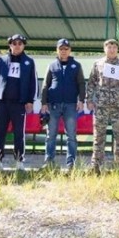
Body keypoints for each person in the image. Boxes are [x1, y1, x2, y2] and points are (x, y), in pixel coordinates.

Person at [0, 34, 38, 169]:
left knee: (19, 133)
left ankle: (19, 161)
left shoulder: (29, 62)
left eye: (20, 43)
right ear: (10, 45)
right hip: (2, 103)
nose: (17, 46)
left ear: (23, 46)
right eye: (14, 43)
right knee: (0, 132)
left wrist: (30, 100)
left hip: (19, 103)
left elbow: (33, 82)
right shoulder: (2, 60)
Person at [86, 39, 119, 172]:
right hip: (101, 106)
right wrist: (89, 99)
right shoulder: (98, 64)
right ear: (104, 49)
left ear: (117, 49)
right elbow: (91, 83)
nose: (112, 50)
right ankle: (96, 166)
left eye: (114, 47)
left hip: (118, 107)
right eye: (109, 47)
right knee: (98, 137)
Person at [42, 38, 86, 170]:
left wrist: (81, 100)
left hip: (71, 105)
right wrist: (44, 103)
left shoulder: (76, 66)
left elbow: (81, 84)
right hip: (53, 105)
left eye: (66, 49)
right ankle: (49, 163)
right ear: (57, 50)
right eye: (61, 49)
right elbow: (45, 85)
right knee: (51, 135)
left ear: (70, 50)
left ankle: (71, 164)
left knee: (71, 136)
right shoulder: (52, 65)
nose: (64, 51)